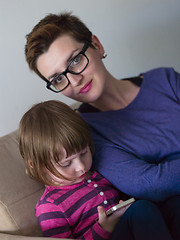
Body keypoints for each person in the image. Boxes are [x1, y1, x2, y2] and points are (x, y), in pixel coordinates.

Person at [24, 12, 180, 239]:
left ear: (96, 45)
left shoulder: (164, 79)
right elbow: (150, 184)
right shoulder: (82, 132)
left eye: (75, 60)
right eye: (58, 78)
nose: (74, 80)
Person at [19, 100, 173, 240]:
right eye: (67, 163)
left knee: (173, 204)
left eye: (84, 153)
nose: (81, 167)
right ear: (39, 165)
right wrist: (104, 228)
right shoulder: (50, 206)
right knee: (142, 211)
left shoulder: (97, 174)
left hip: (133, 230)